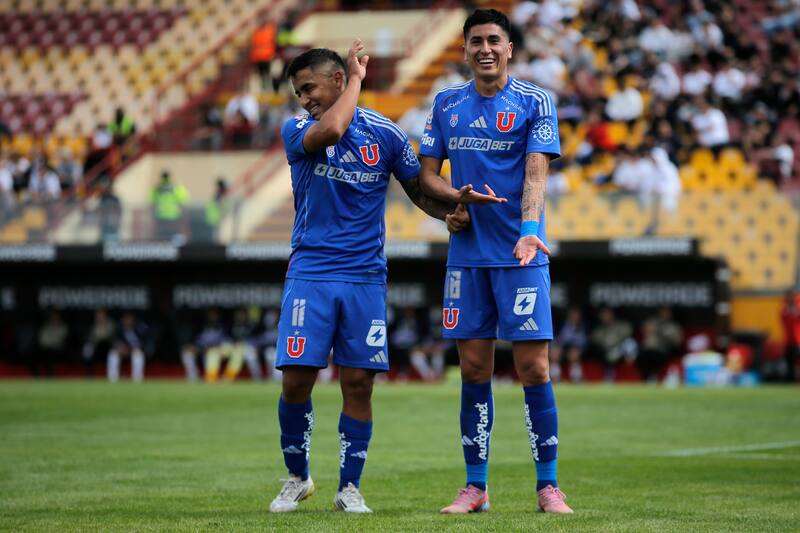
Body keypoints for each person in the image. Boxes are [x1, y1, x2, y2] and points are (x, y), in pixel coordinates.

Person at [269, 40, 469, 514]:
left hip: (364, 277)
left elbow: (418, 189)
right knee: (297, 381)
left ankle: (348, 488)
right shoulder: (299, 128)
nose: (305, 99)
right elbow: (335, 128)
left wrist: (448, 214)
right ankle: (298, 477)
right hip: (312, 273)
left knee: (359, 383)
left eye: (310, 88)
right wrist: (357, 79)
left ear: (333, 79)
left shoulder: (387, 135)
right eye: (299, 92)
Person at [417, 9, 573, 514]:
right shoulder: (445, 103)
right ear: (465, 50)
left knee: (533, 368)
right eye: (476, 41)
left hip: (520, 255)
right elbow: (428, 176)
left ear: (509, 49)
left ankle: (548, 486)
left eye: (494, 40)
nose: (485, 48)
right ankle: (476, 487)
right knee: (473, 369)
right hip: (467, 259)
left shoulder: (534, 101)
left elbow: (535, 174)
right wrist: (451, 204)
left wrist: (530, 231)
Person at [107, 312, 148, 383]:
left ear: (133, 320)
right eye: (126, 319)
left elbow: (143, 343)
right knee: (113, 353)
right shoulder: (119, 329)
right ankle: (113, 379)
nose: (128, 321)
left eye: (130, 319)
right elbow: (115, 342)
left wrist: (133, 348)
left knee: (138, 354)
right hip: (122, 350)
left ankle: (137, 379)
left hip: (134, 350)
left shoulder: (139, 329)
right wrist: (120, 348)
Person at [150, 170, 189, 243]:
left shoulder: (156, 188)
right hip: (174, 215)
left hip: (160, 215)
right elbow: (182, 203)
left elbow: (152, 204)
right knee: (174, 235)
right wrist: (183, 217)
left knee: (161, 235)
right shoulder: (176, 187)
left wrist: (153, 216)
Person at [780, 289, 800, 382]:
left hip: (798, 339)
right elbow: (783, 319)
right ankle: (790, 379)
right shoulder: (784, 307)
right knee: (789, 361)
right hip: (788, 340)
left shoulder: (797, 305)